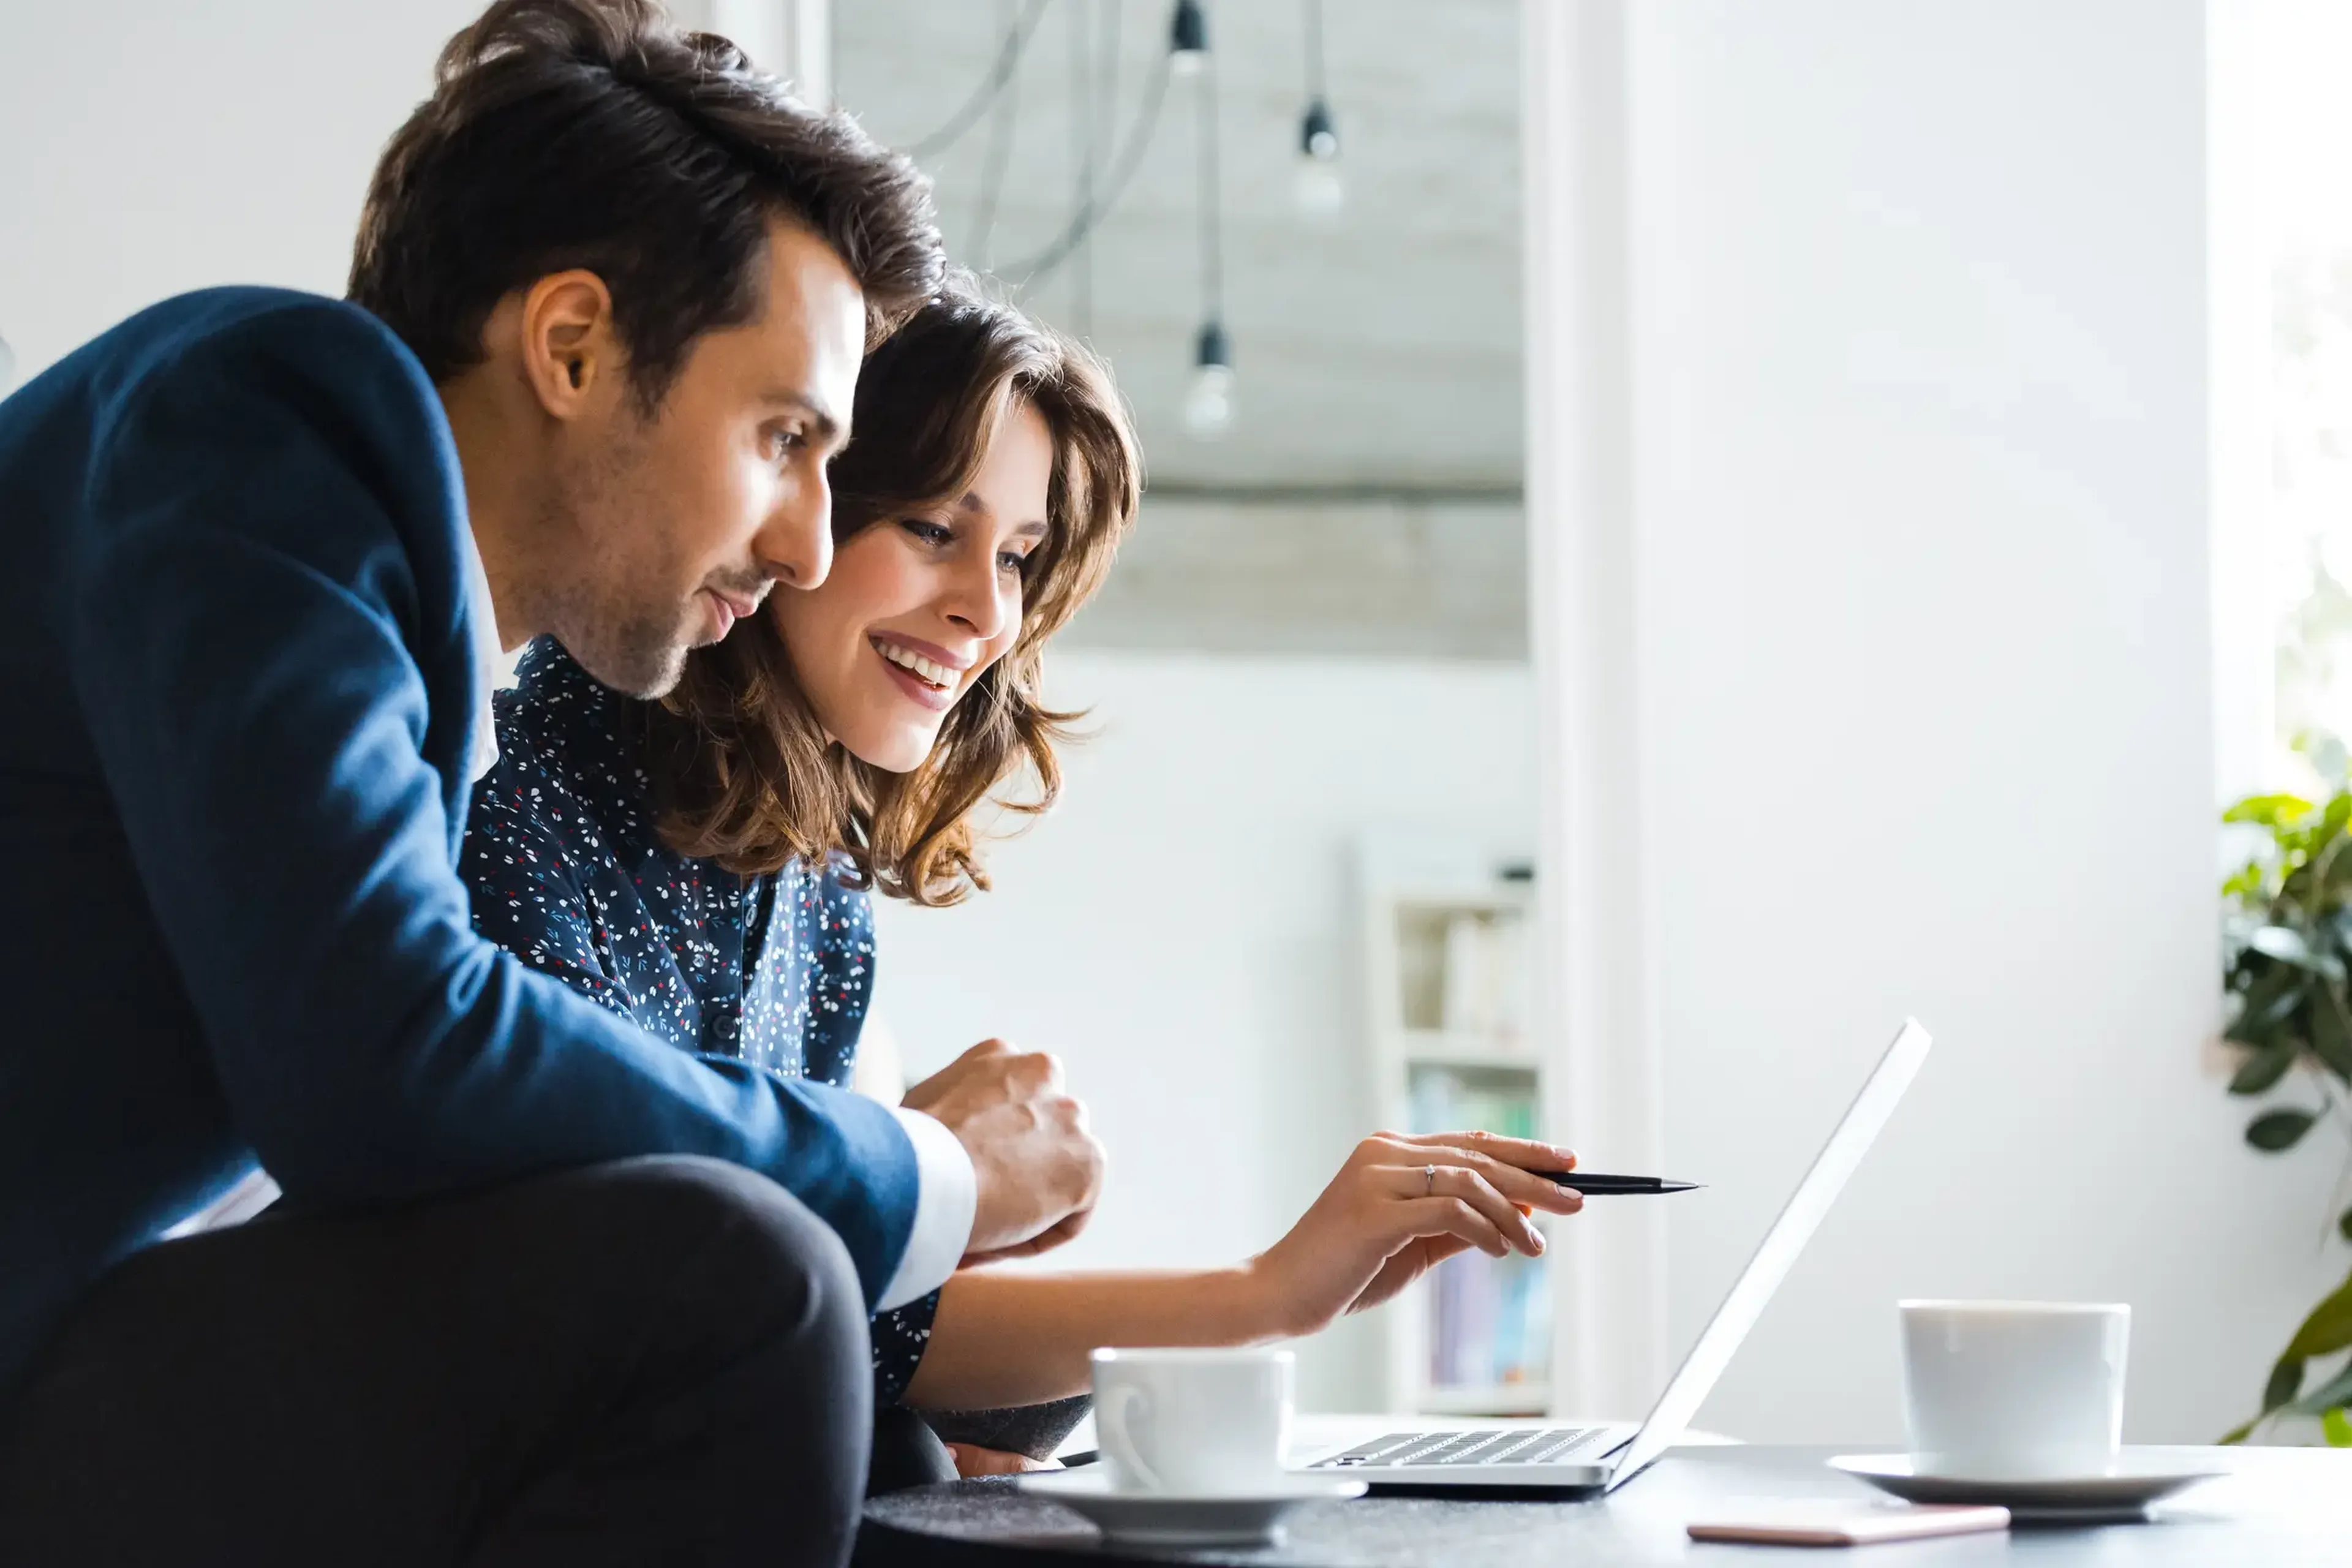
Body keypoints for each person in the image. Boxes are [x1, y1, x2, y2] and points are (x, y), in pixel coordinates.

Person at [0, 4, 1103, 1564]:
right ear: (572, 346)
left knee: (872, 1417)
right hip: (43, 1357)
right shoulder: (261, 421)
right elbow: (386, 1046)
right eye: (785, 436)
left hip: (93, 1345)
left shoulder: (413, 618)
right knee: (738, 1278)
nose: (803, 538)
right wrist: (923, 1168)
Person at [461, 279, 1588, 1484]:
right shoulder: (535, 789)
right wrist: (1263, 1289)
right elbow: (677, 1300)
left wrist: (1259, 1285)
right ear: (798, 499)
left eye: (1017, 556)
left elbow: (862, 1324)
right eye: (936, 530)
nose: (986, 610)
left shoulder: (810, 875)